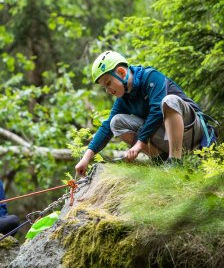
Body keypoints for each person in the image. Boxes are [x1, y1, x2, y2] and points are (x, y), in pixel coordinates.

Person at [75, 50, 214, 176]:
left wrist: (140, 144)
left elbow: (156, 112)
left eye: (108, 83)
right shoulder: (123, 99)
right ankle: (161, 161)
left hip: (192, 131)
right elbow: (105, 128)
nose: (107, 90)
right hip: (165, 137)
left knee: (168, 101)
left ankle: (175, 162)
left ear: (122, 73)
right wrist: (86, 158)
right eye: (104, 87)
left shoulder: (150, 77)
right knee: (115, 122)